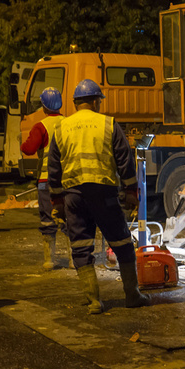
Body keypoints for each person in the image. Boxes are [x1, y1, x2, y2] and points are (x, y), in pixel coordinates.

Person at [47, 79, 150, 314]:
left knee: (81, 247)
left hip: (73, 195)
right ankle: (132, 295)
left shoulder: (61, 127)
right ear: (95, 101)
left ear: (75, 103)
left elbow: (53, 166)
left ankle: (94, 301)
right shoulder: (108, 124)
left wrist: (57, 201)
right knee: (122, 244)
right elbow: (124, 160)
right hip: (103, 193)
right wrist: (131, 192)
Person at [20, 87, 71, 270]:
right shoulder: (69, 123)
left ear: (43, 106)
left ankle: (50, 260)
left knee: (47, 218)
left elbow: (28, 149)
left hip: (45, 180)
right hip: (67, 180)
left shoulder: (41, 126)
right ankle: (74, 259)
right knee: (68, 217)